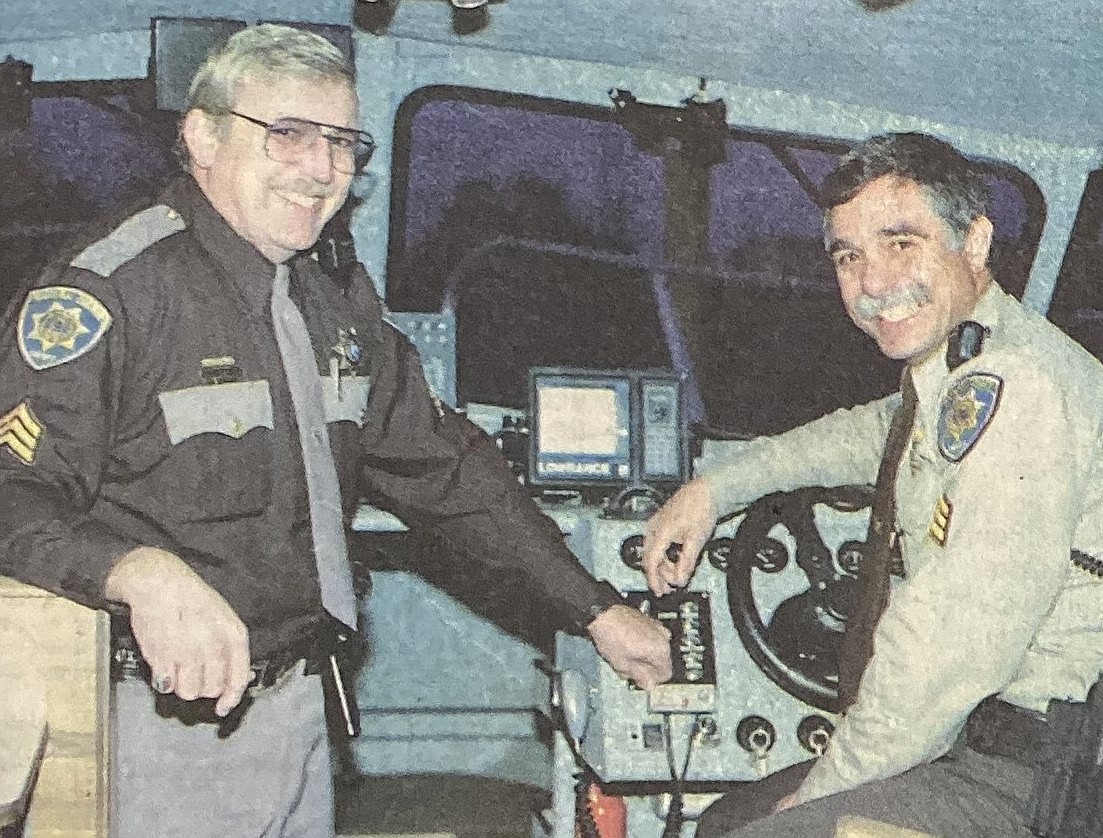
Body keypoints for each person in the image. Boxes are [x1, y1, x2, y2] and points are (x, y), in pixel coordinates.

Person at [0, 24, 672, 838]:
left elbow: (448, 469)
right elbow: (13, 494)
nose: (321, 170)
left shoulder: (331, 301)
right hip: (150, 721)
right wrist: (135, 570)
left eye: (342, 144)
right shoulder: (110, 292)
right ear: (202, 135)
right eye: (286, 134)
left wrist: (594, 609)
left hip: (297, 706)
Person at [641, 132, 1103, 837]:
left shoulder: (1021, 385)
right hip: (983, 743)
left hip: (1045, 778)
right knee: (725, 821)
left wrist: (829, 787)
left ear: (973, 243)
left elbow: (948, 645)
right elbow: (877, 432)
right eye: (847, 255)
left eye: (900, 244)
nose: (873, 283)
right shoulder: (966, 364)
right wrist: (714, 488)